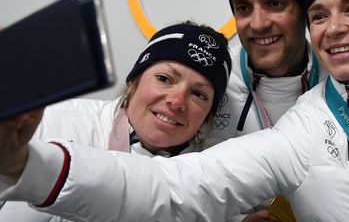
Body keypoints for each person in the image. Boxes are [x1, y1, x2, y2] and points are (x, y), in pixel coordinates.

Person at [0, 0, 349, 221]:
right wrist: (26, 166)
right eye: (320, 15)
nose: (333, 28)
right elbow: (176, 186)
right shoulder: (301, 128)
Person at [0, 21, 231, 221]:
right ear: (133, 83)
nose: (177, 101)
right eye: (164, 78)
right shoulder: (50, 122)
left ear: (207, 117)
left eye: (199, 94)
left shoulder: (201, 188)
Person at [209, 0, 326, 221]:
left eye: (275, 3)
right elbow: (173, 178)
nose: (258, 23)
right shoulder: (211, 80)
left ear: (305, 11)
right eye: (244, 8)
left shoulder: (339, 76)